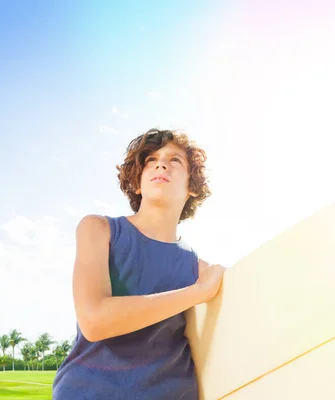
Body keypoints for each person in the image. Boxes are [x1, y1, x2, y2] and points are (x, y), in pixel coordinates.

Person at [52, 128, 226, 399]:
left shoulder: (202, 271)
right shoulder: (99, 230)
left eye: (175, 160)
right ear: (137, 183)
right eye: (150, 160)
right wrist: (197, 293)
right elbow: (94, 321)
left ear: (192, 186)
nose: (161, 163)